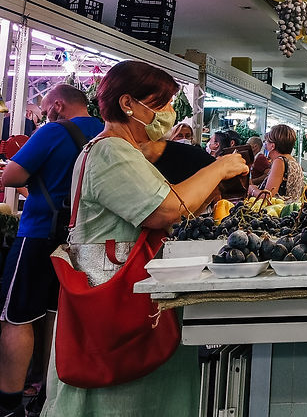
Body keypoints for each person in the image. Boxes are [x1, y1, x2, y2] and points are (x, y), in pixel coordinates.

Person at [41, 60, 247, 417]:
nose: (168, 113)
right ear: (127, 104)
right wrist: (219, 167)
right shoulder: (110, 151)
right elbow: (166, 210)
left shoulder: (123, 151)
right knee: (117, 397)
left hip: (126, 293)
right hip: (116, 299)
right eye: (161, 103)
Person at [0, 86, 102, 417]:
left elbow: (12, 176)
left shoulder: (52, 131)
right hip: (83, 240)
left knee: (17, 316)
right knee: (57, 315)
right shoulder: (105, 133)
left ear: (57, 105)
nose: (45, 114)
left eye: (46, 108)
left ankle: (9, 401)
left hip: (39, 233)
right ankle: (48, 394)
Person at [248, 125, 302, 201]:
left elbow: (268, 196)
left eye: (266, 142)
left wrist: (252, 190)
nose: (265, 145)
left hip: (277, 211)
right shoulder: (293, 162)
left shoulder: (279, 162)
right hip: (288, 210)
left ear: (272, 146)